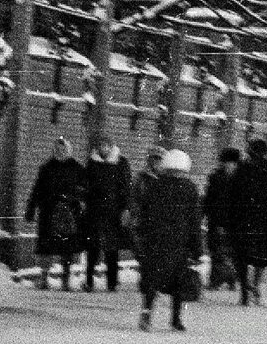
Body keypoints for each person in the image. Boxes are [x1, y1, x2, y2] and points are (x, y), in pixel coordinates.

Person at [133, 148, 203, 332]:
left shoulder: (155, 186)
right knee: (178, 281)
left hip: (155, 241)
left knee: (152, 279)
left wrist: (143, 236)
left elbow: (145, 214)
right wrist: (197, 248)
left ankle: (146, 313)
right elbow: (194, 220)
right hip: (179, 242)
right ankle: (176, 319)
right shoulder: (190, 188)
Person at [25, 138, 89, 290]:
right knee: (46, 247)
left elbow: (85, 190)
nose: (60, 152)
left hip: (69, 213)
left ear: (69, 150)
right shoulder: (46, 168)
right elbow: (37, 190)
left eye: (63, 149)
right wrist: (31, 209)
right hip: (48, 211)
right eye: (57, 149)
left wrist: (76, 199)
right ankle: (44, 278)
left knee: (67, 247)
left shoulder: (77, 168)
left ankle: (66, 279)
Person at [230, 136, 267, 305]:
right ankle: (255, 284)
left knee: (242, 256)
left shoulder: (242, 168)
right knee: (263, 256)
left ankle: (245, 289)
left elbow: (233, 194)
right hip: (264, 218)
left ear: (250, 151)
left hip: (243, 217)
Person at [82, 142, 131, 293]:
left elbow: (125, 187)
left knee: (112, 249)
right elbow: (86, 185)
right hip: (95, 211)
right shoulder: (93, 162)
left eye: (106, 145)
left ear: (111, 147)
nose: (104, 148)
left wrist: (125, 208)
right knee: (93, 248)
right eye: (101, 145)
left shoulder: (121, 162)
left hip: (113, 212)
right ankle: (89, 281)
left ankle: (112, 282)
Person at [203, 147, 243, 292]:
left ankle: (231, 277)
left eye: (231, 163)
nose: (228, 165)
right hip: (217, 219)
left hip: (235, 221)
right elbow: (208, 198)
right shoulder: (215, 177)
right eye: (226, 162)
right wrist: (204, 214)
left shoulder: (242, 178)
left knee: (231, 250)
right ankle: (216, 279)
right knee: (215, 249)